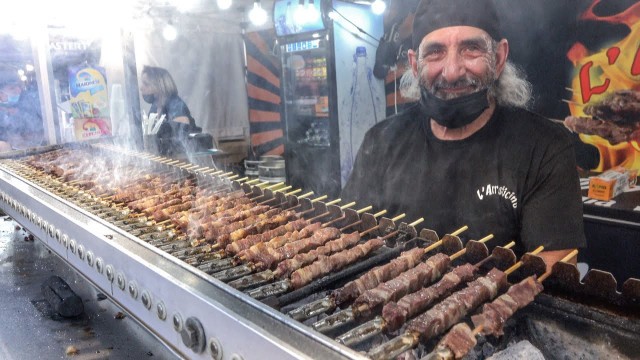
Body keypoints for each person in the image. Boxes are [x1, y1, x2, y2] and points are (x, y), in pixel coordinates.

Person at [342, 0, 585, 270]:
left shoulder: (545, 147)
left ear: (499, 57)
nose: (452, 71)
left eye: (471, 49)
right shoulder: (380, 142)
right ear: (414, 63)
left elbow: (553, 275)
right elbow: (351, 240)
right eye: (435, 52)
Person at [139, 65, 198, 156]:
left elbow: (182, 127)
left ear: (159, 86)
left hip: (184, 157)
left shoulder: (175, 104)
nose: (141, 87)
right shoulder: (155, 107)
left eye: (146, 84)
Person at [0, 67, 43, 152]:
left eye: (18, 86)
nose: (18, 91)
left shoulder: (26, 105)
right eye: (12, 88)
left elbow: (39, 130)